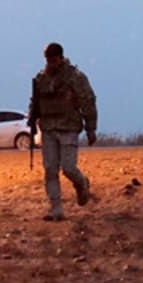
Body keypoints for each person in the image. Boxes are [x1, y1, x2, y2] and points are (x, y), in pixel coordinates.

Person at [27, 42, 97, 221]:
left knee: (68, 168)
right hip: (49, 128)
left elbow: (87, 101)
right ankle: (56, 208)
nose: (51, 63)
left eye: (53, 59)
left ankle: (82, 183)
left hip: (69, 127)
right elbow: (35, 102)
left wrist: (91, 128)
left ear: (60, 57)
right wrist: (32, 121)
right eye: (48, 59)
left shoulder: (75, 77)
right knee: (50, 169)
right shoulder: (41, 79)